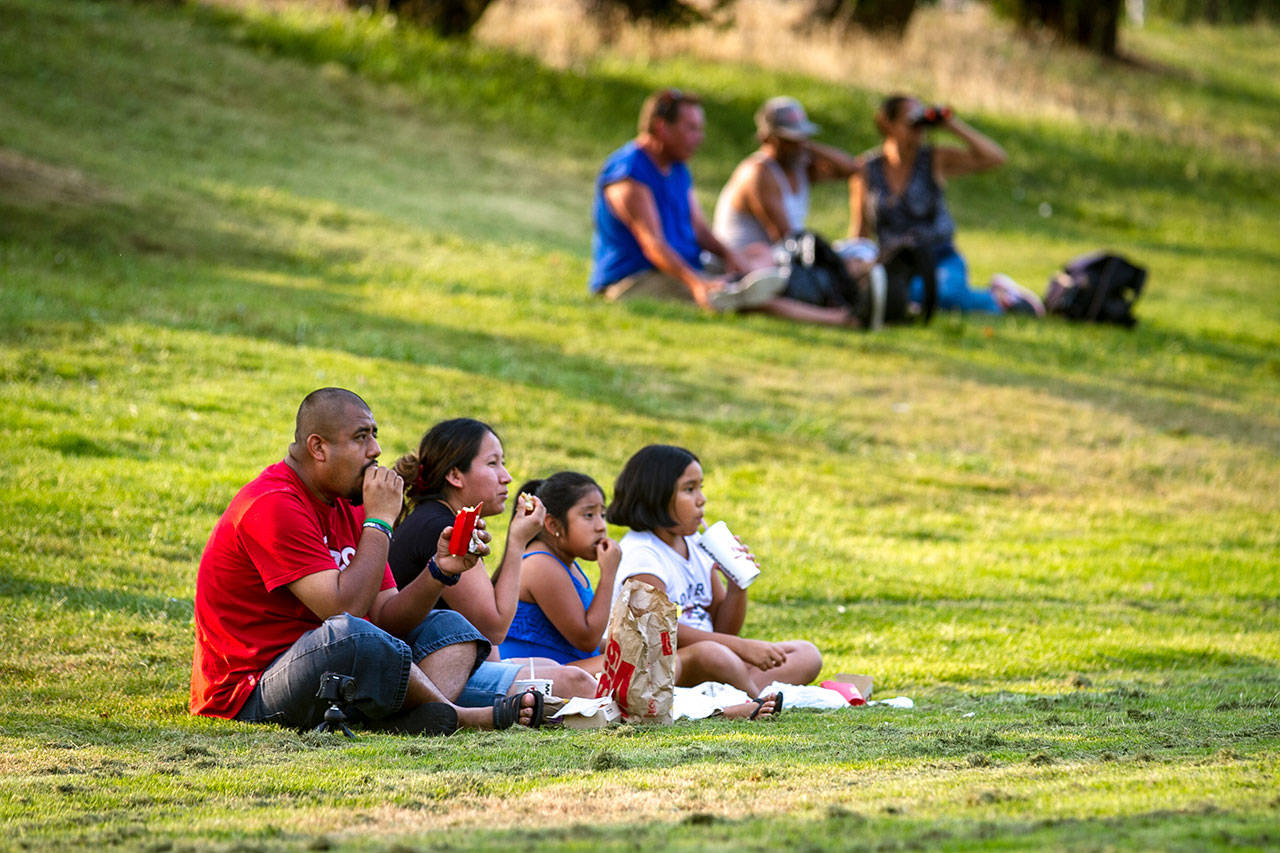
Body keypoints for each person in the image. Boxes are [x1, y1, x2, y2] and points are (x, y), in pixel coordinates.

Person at [191, 388, 542, 735]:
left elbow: (388, 616)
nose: (375, 450)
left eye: (374, 435)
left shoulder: (349, 503)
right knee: (353, 635)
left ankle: (410, 719)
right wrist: (379, 521)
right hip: (251, 691)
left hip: (335, 667)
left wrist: (438, 570)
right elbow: (344, 609)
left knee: (451, 627)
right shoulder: (273, 505)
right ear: (318, 448)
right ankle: (457, 716)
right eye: (361, 437)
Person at [504, 471, 782, 720]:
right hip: (546, 675)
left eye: (601, 514)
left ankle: (729, 703)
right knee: (648, 668)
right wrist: (609, 575)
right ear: (553, 525)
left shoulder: (566, 564)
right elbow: (585, 636)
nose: (601, 526)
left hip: (573, 666)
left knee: (648, 662)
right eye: (589, 515)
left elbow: (586, 642)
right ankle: (728, 708)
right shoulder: (541, 564)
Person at [588, 88, 851, 325]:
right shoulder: (629, 174)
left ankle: (817, 299)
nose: (699, 138)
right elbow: (653, 244)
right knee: (733, 298)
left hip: (682, 267)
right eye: (691, 129)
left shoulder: (677, 166)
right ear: (661, 128)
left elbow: (700, 229)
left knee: (755, 259)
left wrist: (730, 256)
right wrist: (697, 283)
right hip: (634, 280)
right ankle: (837, 319)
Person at [389, 418, 598, 704]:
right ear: (455, 476)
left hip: (442, 665)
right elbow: (494, 627)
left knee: (555, 669)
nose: (507, 476)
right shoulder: (443, 529)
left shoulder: (443, 519)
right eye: (492, 464)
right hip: (427, 678)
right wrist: (517, 542)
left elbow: (488, 640)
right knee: (577, 684)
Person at [606, 444, 822, 698]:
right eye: (689, 489)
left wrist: (736, 586)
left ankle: (733, 689)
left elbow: (724, 629)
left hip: (717, 658)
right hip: (665, 662)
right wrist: (742, 647)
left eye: (700, 487)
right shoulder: (643, 555)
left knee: (806, 654)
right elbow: (659, 632)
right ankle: (755, 699)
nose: (701, 499)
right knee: (712, 653)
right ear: (657, 495)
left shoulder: (696, 544)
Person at [848, 94, 1044, 316]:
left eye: (921, 124)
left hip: (940, 257)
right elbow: (860, 226)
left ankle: (1000, 298)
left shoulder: (934, 159)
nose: (919, 130)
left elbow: (995, 158)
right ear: (887, 124)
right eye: (911, 122)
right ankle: (993, 300)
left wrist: (951, 125)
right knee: (904, 291)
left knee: (941, 294)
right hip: (895, 261)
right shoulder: (866, 169)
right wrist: (855, 262)